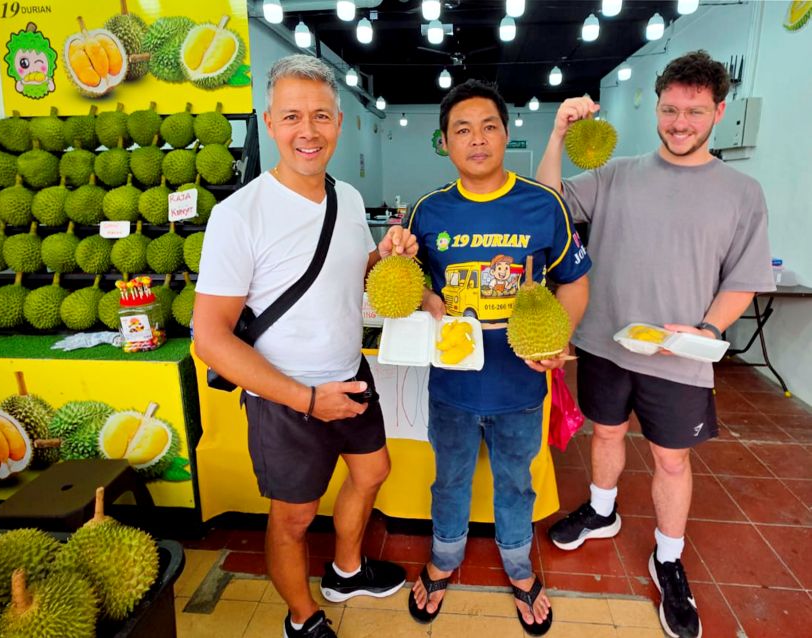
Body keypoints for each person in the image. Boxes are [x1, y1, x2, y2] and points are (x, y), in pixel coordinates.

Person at [536, 50, 775, 638]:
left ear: (719, 112)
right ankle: (602, 511)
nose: (679, 123)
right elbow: (547, 204)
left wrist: (709, 331)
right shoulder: (617, 173)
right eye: (670, 110)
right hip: (605, 341)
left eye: (694, 112)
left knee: (671, 459)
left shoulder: (742, 192)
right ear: (658, 108)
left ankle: (668, 558)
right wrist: (558, 133)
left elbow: (743, 279)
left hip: (679, 353)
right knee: (606, 433)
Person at [193, 54, 417, 638]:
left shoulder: (347, 199)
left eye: (320, 115)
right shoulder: (238, 216)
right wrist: (307, 399)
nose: (308, 131)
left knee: (372, 472)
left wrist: (385, 255)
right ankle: (301, 617)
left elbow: (347, 274)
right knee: (293, 518)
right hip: (285, 396)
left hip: (350, 373)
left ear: (339, 123)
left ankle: (346, 571)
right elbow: (209, 336)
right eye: (292, 116)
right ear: (269, 123)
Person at [406, 79, 591, 636]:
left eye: (489, 127)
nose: (478, 139)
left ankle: (517, 563)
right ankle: (444, 557)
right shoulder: (428, 211)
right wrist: (425, 296)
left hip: (520, 387)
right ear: (444, 142)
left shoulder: (543, 204)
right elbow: (408, 281)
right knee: (449, 479)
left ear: (507, 134)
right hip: (452, 387)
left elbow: (574, 280)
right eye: (462, 130)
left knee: (516, 480)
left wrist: (559, 337)